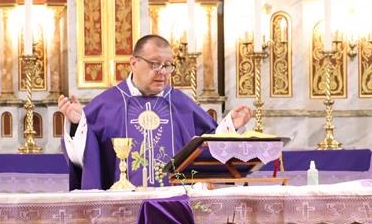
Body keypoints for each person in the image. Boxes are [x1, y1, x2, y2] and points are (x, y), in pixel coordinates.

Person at [59, 34, 252, 190]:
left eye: (168, 65)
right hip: (123, 211)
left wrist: (230, 126)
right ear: (133, 63)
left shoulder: (181, 104)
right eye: (155, 64)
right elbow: (86, 161)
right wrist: (77, 124)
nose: (162, 72)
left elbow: (207, 148)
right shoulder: (107, 104)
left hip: (176, 208)